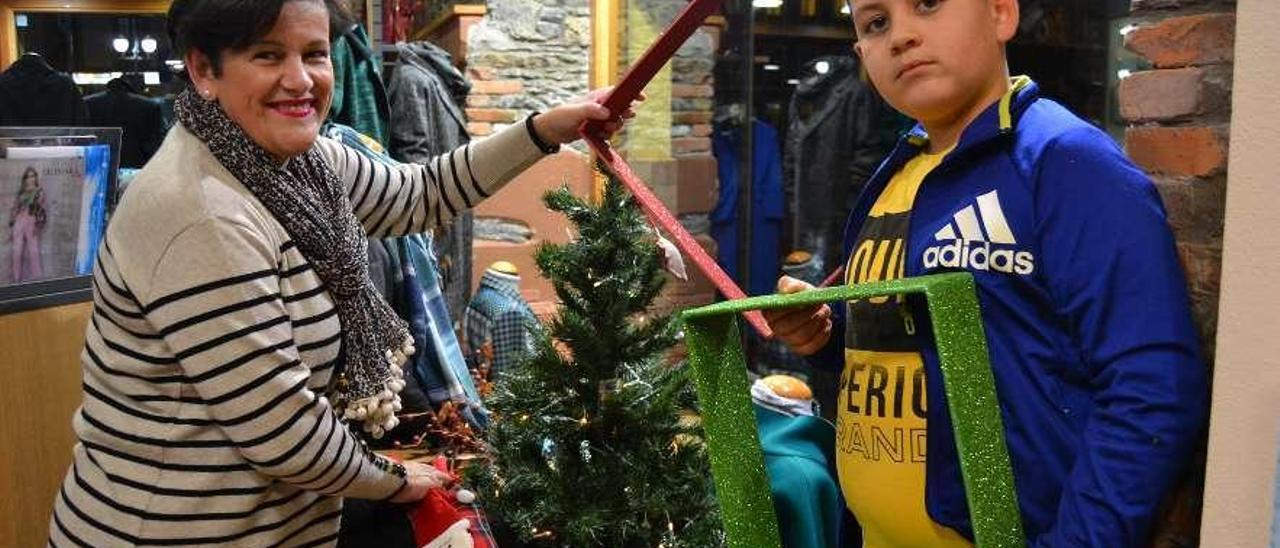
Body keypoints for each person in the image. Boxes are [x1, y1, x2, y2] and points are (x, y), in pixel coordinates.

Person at [47, 0, 637, 545]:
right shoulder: (199, 210)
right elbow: (280, 431)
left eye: (314, 53)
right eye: (267, 55)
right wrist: (398, 478)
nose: (301, 79)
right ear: (205, 70)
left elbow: (421, 193)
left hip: (278, 518)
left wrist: (544, 130)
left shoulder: (297, 160)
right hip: (174, 529)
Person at [764, 0, 1207, 546]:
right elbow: (925, 340)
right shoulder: (896, 172)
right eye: (877, 24)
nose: (901, 36)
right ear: (862, 55)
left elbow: (1151, 387)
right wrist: (829, 331)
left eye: (927, 5)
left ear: (1000, 13)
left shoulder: (1065, 161)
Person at [10, 166, 45, 282]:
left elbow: (41, 209)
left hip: (32, 222)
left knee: (33, 251)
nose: (31, 179)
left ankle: (37, 279)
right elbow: (15, 209)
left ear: (36, 178)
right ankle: (16, 279)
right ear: (25, 179)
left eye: (33, 176)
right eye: (28, 176)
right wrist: (12, 222)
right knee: (16, 252)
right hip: (19, 222)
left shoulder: (39, 192)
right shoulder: (21, 192)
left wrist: (38, 225)